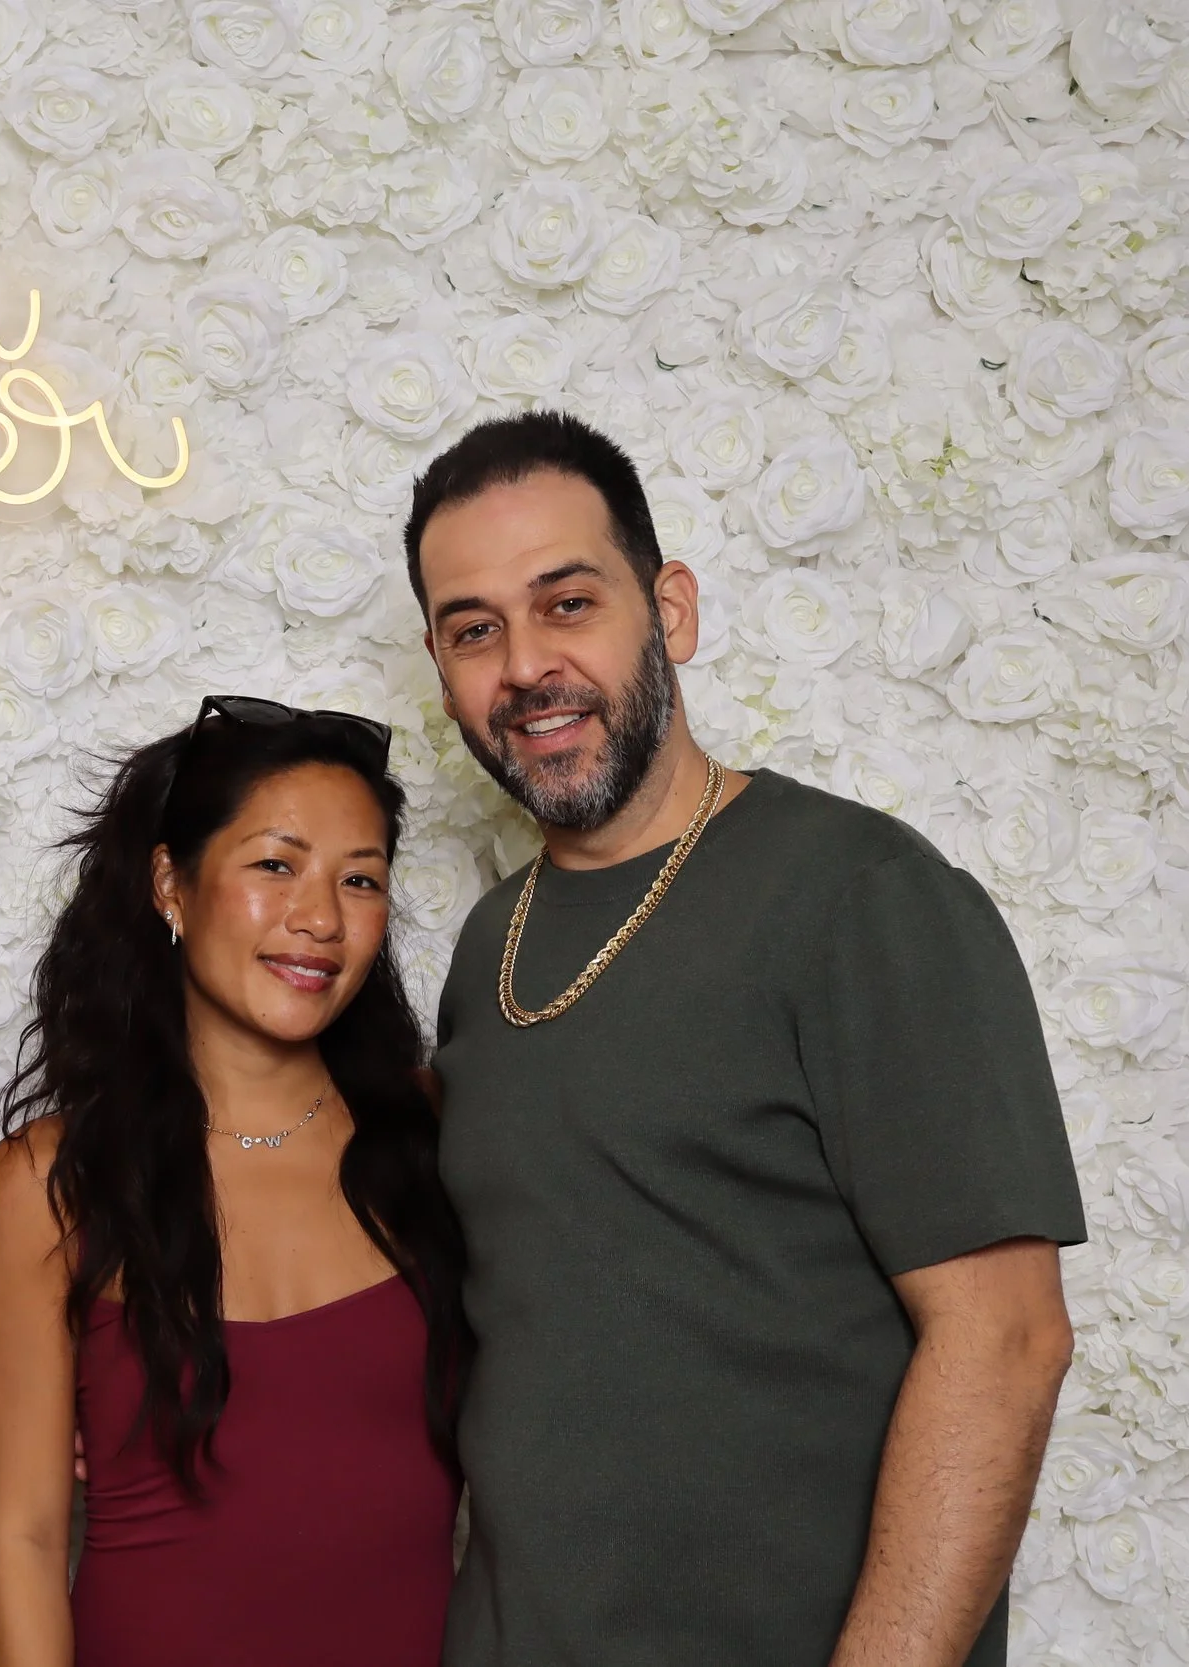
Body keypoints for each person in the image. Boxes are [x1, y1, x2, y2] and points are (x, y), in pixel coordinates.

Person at [408, 411, 1085, 1667]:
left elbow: (1005, 1338)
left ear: (669, 609)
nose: (524, 668)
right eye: (473, 629)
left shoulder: (858, 895)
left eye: (567, 602)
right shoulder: (486, 950)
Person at [0, 698, 470, 1667]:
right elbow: (20, 1540)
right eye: (274, 864)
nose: (318, 917)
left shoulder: (439, 1134)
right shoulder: (48, 1184)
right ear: (170, 882)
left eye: (359, 880)